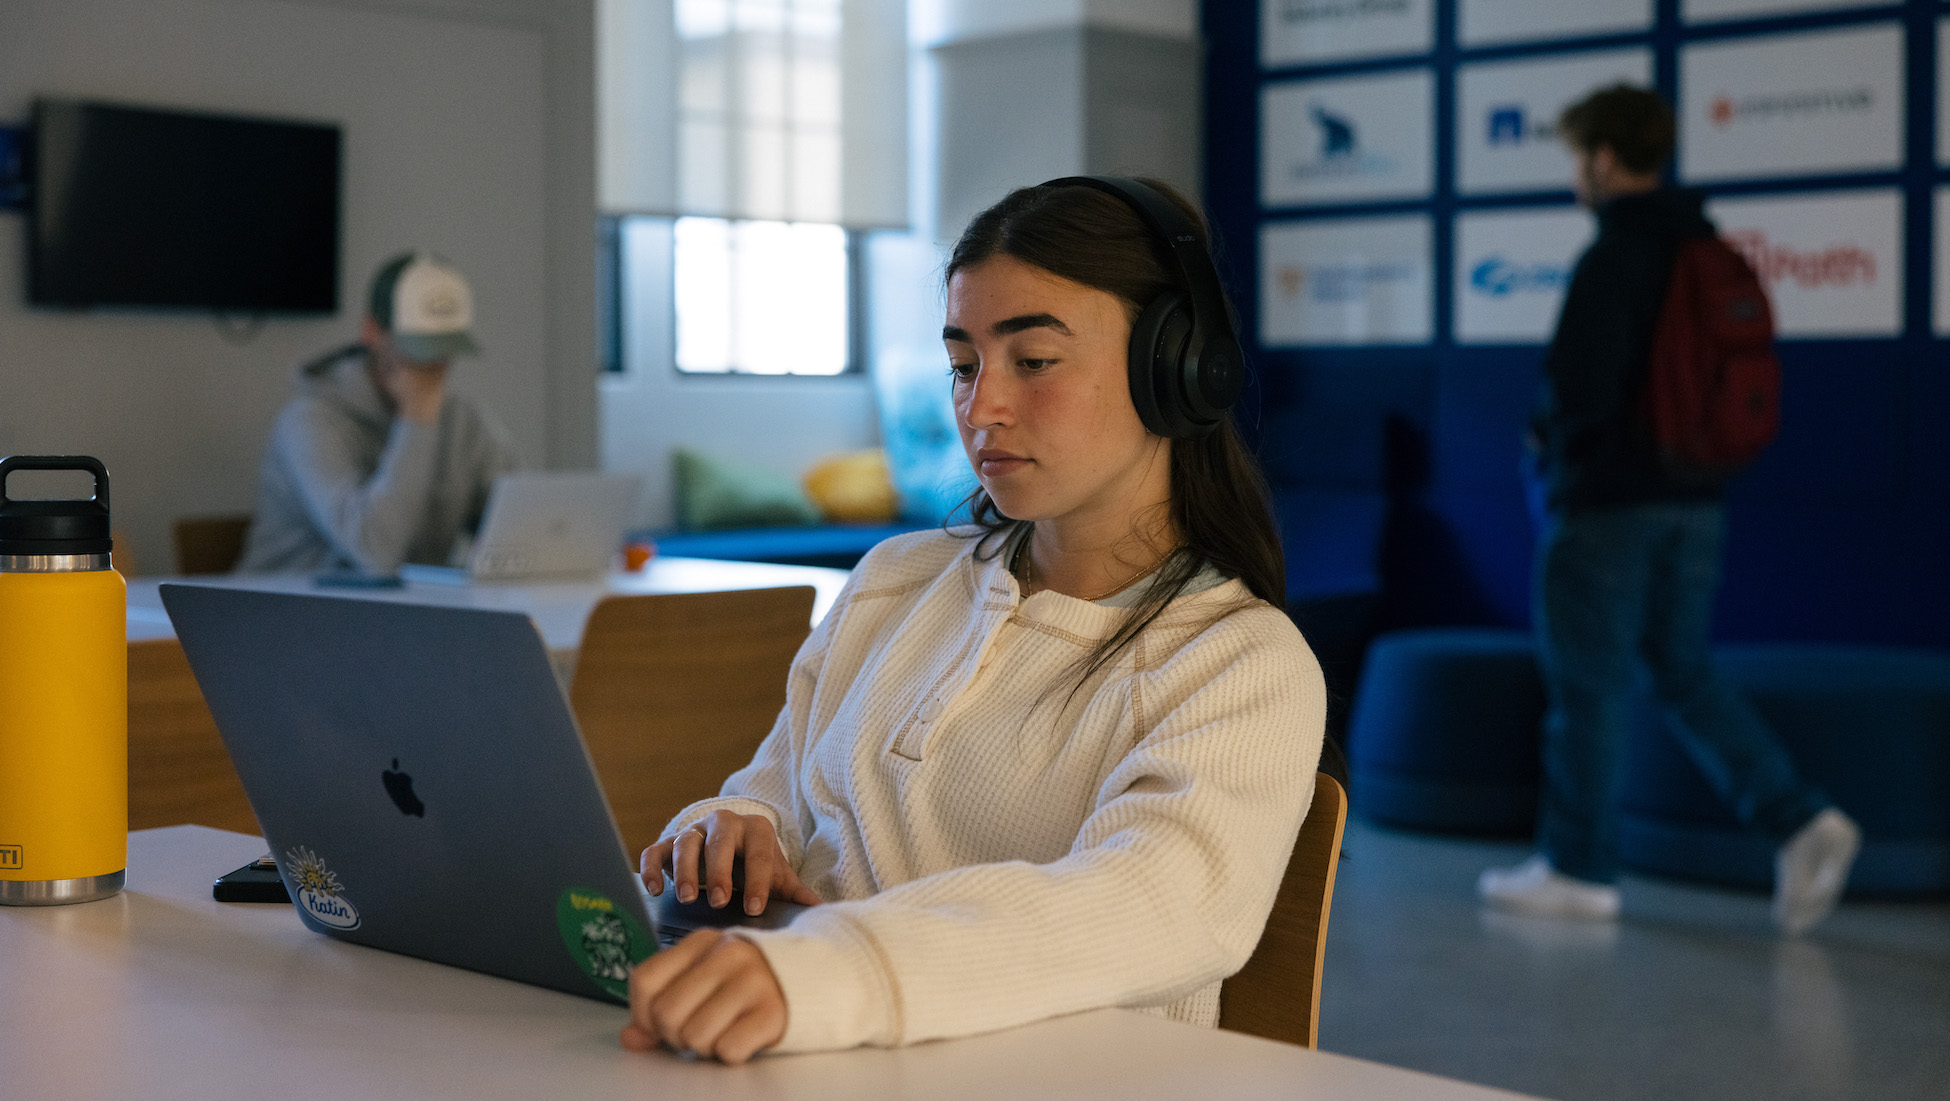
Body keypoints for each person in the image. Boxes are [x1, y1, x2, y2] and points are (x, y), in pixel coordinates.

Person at [618, 178, 1327, 1064]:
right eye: (964, 364)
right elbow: (780, 785)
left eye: (1032, 361)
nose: (981, 406)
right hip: (808, 1060)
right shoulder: (893, 582)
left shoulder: (1240, 662)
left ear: (1176, 369)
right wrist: (735, 825)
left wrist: (843, 968)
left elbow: (1152, 901)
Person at [1479, 86, 1860, 933]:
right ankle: (1798, 817)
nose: (1576, 174)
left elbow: (1577, 390)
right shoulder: (1706, 245)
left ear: (1606, 158)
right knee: (1683, 670)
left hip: (1609, 506)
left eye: (1579, 157)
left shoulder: (1617, 254)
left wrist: (1556, 464)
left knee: (1586, 687)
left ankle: (1579, 868)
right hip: (1697, 500)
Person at [235, 252, 517, 574]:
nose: (435, 364)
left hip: (402, 616)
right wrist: (418, 419)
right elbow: (376, 552)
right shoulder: (308, 422)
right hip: (283, 617)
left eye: (446, 346)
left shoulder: (464, 421)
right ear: (372, 332)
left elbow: (520, 521)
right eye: (420, 347)